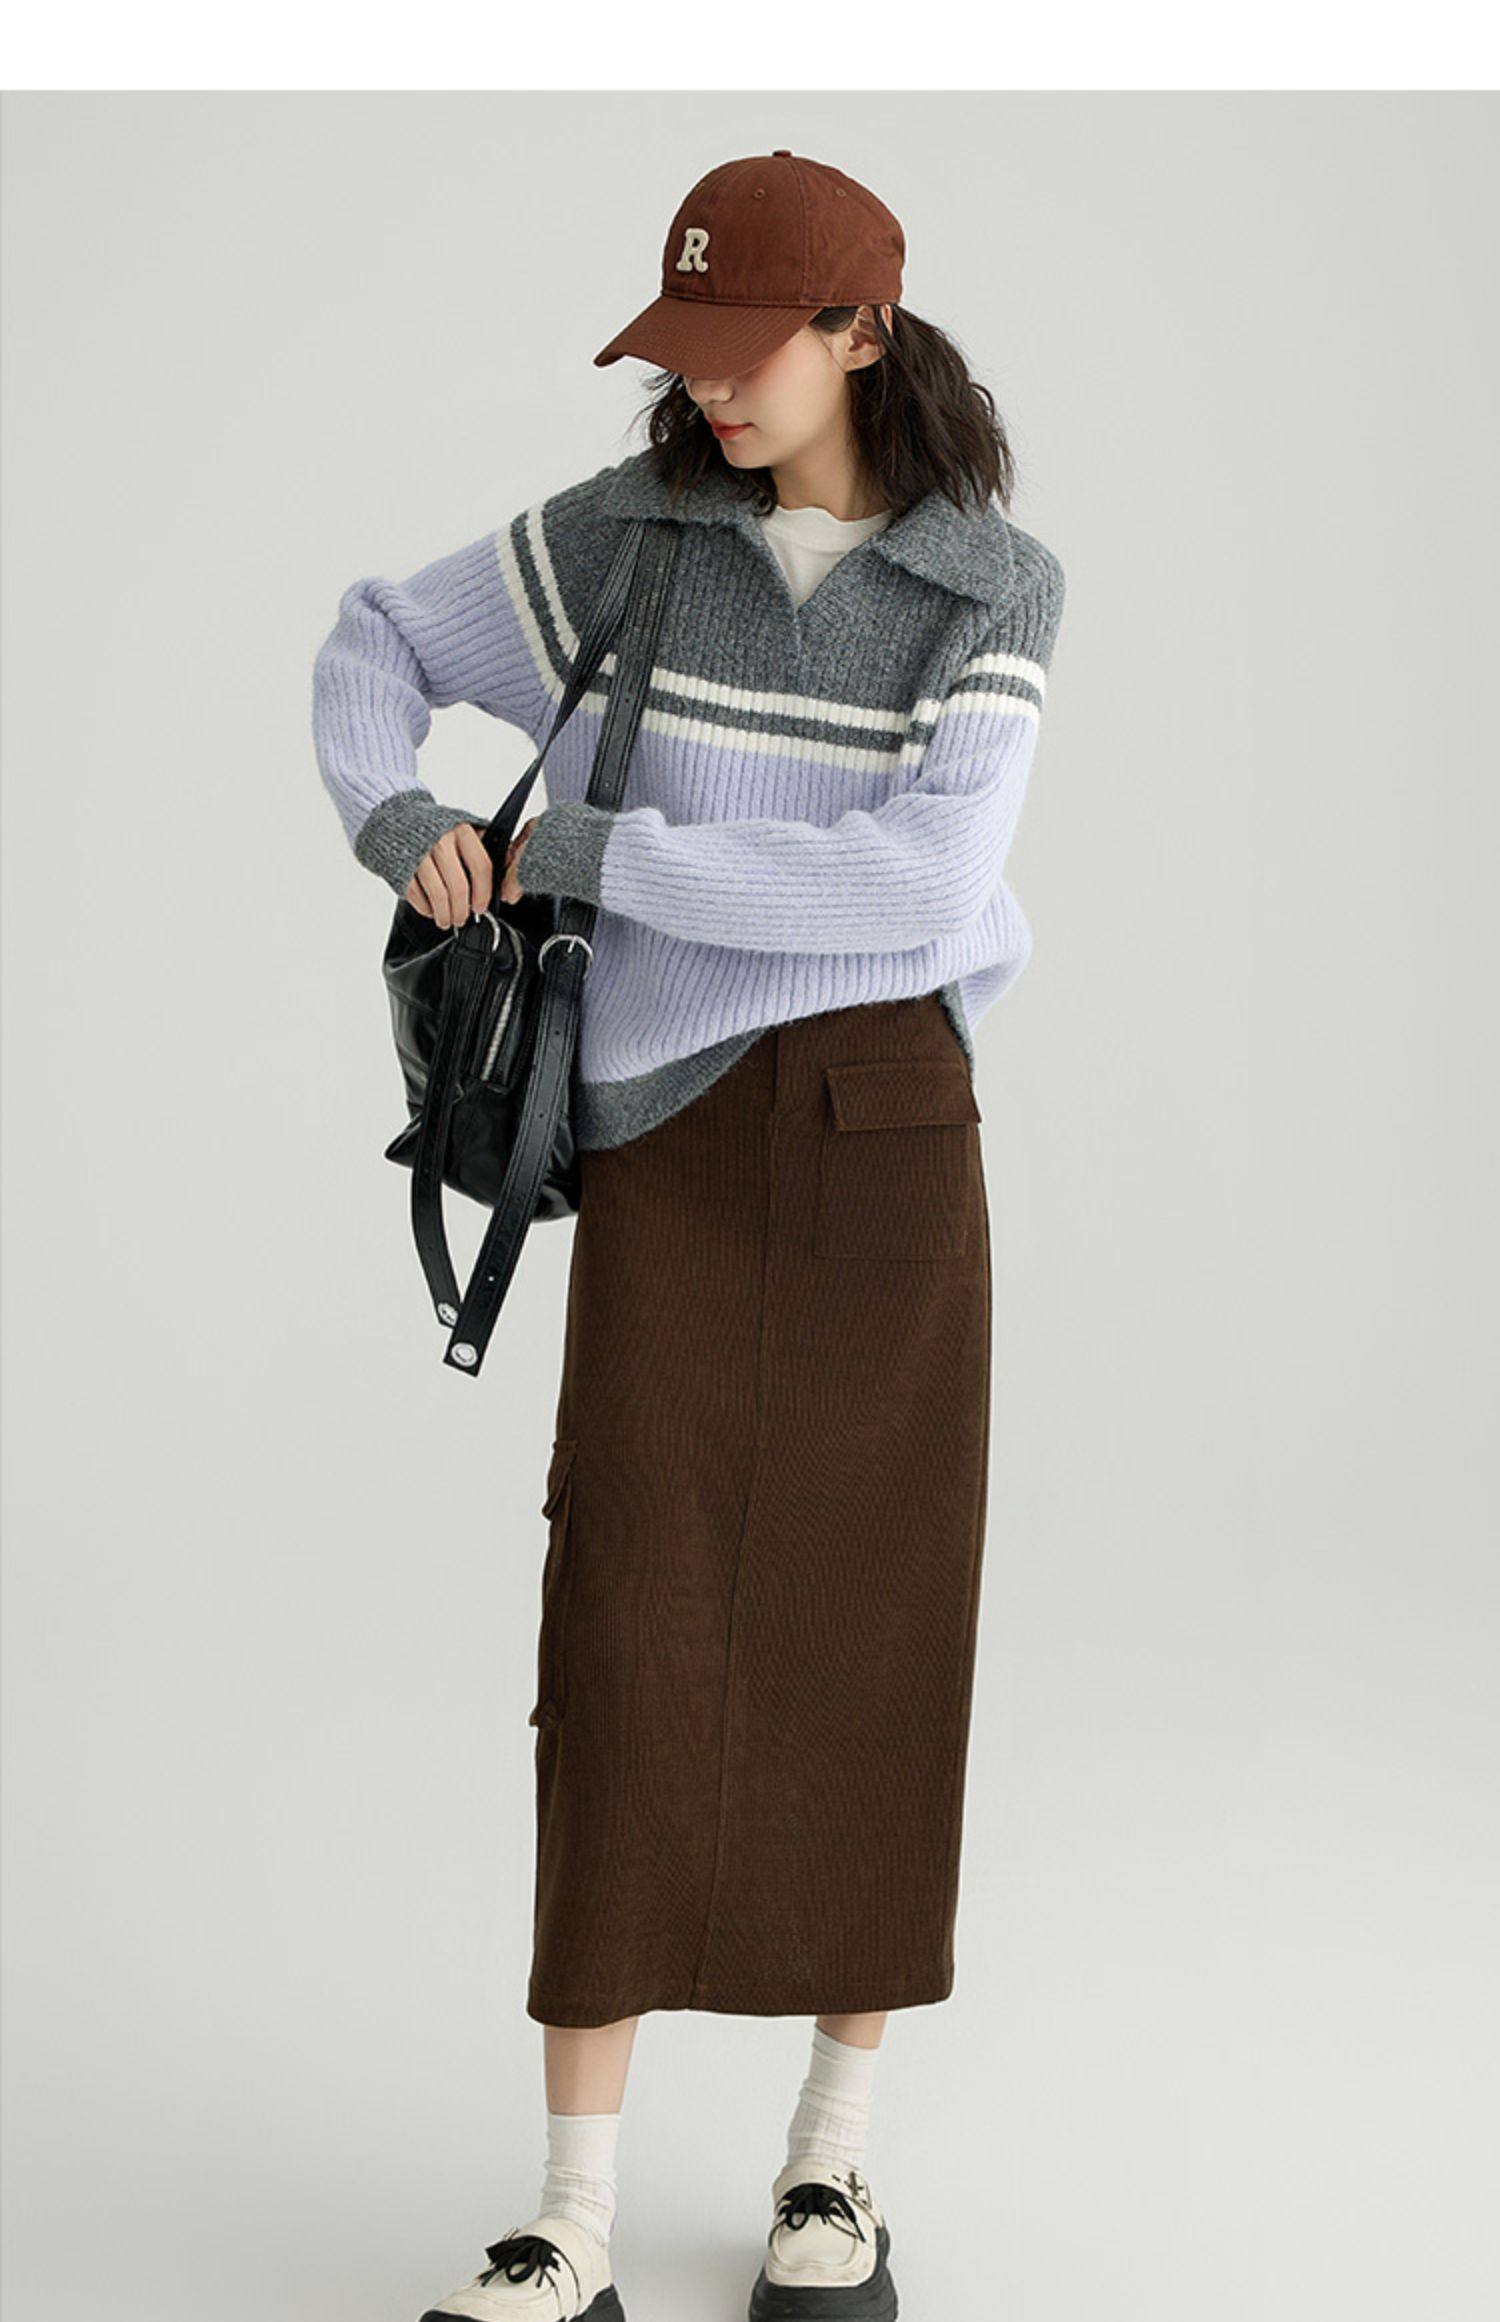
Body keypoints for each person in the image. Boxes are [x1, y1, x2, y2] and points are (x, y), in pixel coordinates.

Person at [311, 147, 1066, 2322]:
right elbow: (375, 639)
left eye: (752, 349)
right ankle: (574, 2210)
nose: (713, 389)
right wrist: (405, 812)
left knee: (872, 1628)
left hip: (887, 1133)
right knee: (624, 1633)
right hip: (658, 1135)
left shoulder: (990, 585)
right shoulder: (626, 539)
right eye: (688, 348)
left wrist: (601, 856)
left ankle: (833, 2169)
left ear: (862, 332)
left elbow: (920, 893)